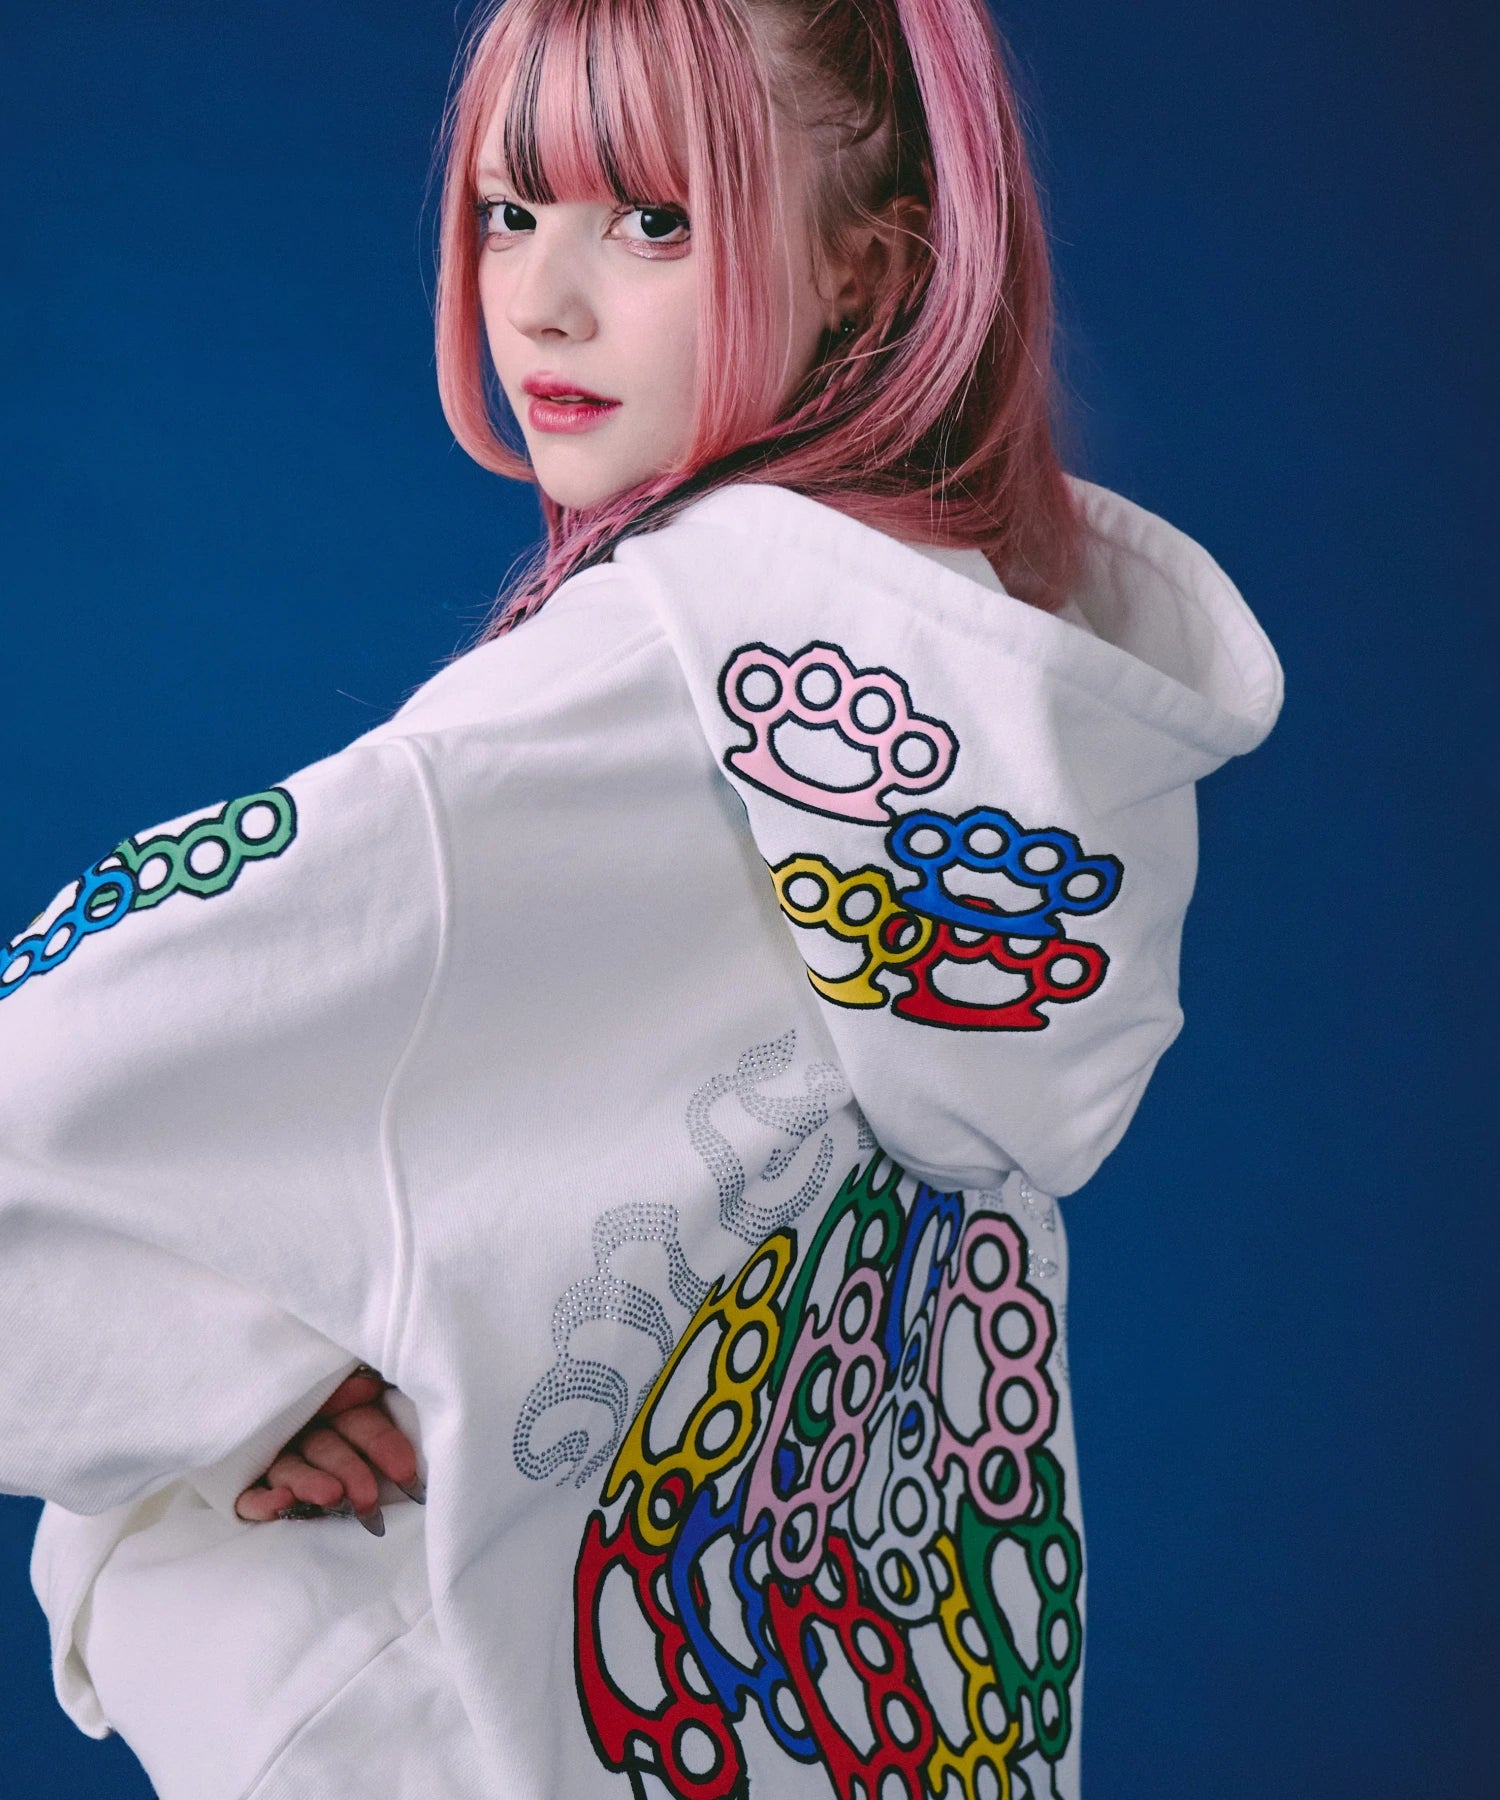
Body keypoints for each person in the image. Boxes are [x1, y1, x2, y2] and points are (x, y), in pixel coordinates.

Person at [1, 1, 1283, 1796]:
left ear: (870, 263)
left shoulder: (629, 696)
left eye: (655, 221)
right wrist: (254, 1378)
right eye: (510, 211)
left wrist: (202, 1398)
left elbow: (37, 1106)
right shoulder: (1002, 732)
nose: (541, 299)